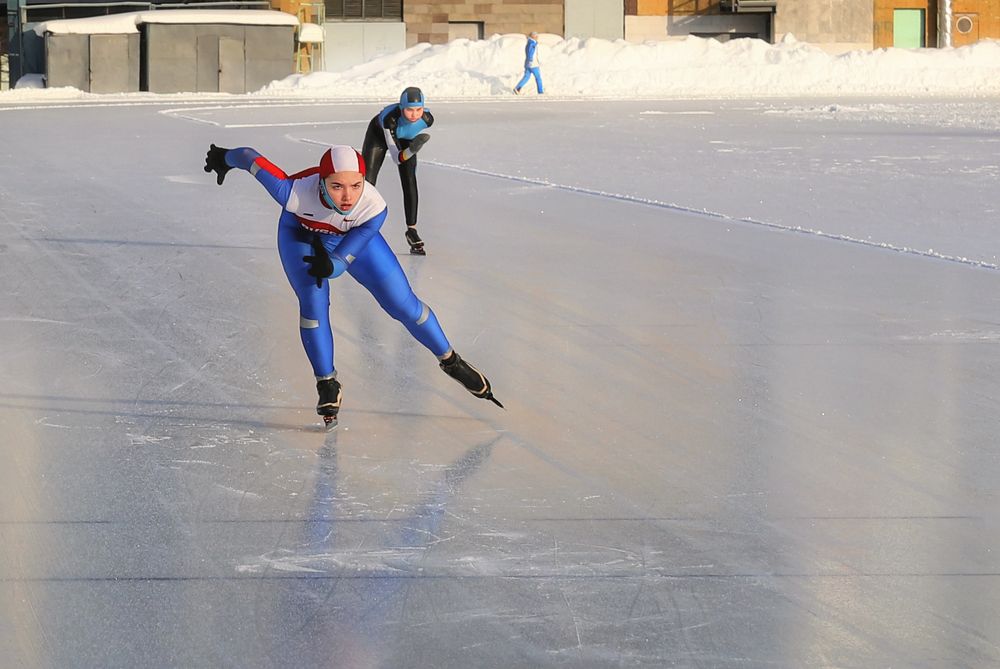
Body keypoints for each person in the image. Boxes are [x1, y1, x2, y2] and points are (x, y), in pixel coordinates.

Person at [203, 142, 503, 426]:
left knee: (403, 304)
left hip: (348, 238)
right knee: (313, 302)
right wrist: (224, 157)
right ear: (321, 182)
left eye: (356, 185)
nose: (348, 196)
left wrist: (331, 265)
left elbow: (340, 263)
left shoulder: (373, 207)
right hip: (301, 235)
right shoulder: (293, 192)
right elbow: (248, 156)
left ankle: (451, 361)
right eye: (337, 186)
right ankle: (327, 383)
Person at [361, 86, 434, 255]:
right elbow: (396, 157)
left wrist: (411, 148)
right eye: (409, 110)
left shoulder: (428, 119)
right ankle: (359, 224)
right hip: (379, 136)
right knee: (367, 182)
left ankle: (412, 230)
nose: (414, 115)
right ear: (401, 108)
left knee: (410, 180)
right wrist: (412, 150)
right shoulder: (390, 119)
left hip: (406, 140)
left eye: (418, 109)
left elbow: (403, 157)